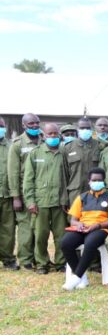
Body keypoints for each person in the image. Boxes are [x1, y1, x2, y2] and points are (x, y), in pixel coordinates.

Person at [60, 167, 108, 290]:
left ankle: (76, 277)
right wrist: (78, 225)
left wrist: (98, 225)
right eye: (94, 180)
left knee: (90, 242)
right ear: (89, 181)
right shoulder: (82, 197)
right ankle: (83, 278)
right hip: (83, 227)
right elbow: (73, 220)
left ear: (104, 181)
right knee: (66, 243)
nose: (97, 183)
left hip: (101, 228)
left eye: (99, 180)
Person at [24, 122, 68, 274]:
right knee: (41, 235)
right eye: (50, 134)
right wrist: (30, 201)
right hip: (40, 202)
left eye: (56, 133)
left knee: (61, 235)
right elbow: (28, 179)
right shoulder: (35, 153)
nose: (53, 136)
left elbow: (68, 178)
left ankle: (61, 263)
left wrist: (66, 199)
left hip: (59, 202)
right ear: (44, 135)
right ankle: (42, 264)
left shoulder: (64, 153)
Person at [8, 113, 42, 270]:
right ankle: (25, 259)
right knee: (26, 228)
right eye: (31, 123)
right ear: (23, 125)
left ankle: (38, 257)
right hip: (24, 192)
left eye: (37, 123)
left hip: (41, 192)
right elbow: (13, 172)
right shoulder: (17, 144)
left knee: (39, 227)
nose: (35, 126)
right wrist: (16, 197)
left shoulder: (44, 140)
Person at [63, 117, 108, 207]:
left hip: (97, 191)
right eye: (82, 128)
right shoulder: (68, 147)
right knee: (74, 219)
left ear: (92, 129)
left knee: (96, 217)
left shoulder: (101, 145)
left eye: (88, 128)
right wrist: (64, 199)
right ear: (77, 129)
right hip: (75, 192)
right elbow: (64, 175)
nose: (85, 130)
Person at [0, 117, 19, 270]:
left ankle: (8, 259)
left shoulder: (11, 146)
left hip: (7, 195)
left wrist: (15, 195)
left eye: (1, 126)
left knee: (8, 229)